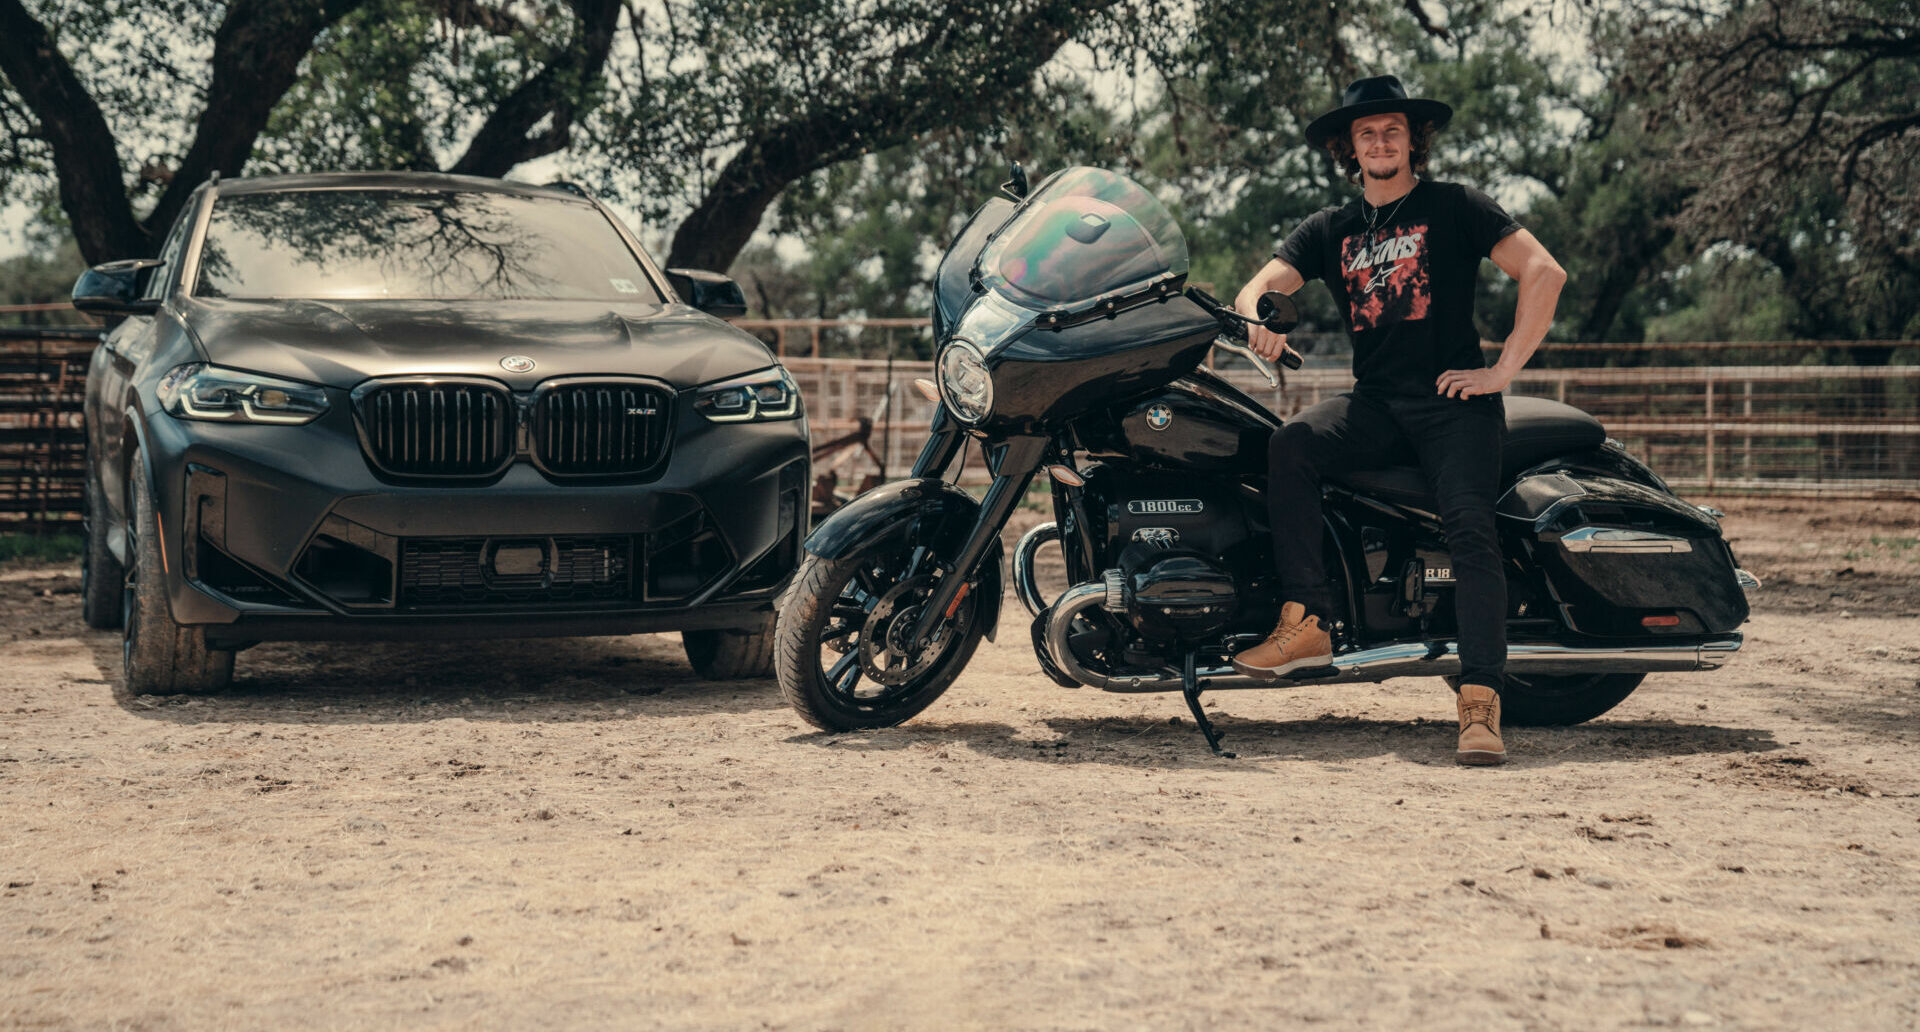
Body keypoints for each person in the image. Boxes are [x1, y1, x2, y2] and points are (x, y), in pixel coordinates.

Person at [1227, 74, 1567, 766]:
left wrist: (1501, 372)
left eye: (1392, 131)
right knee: (1289, 445)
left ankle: (1479, 701)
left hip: (1455, 404)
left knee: (1470, 527)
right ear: (1348, 149)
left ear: (1413, 141)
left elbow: (1544, 271)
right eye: (1365, 133)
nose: (1380, 142)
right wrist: (1257, 318)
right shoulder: (1331, 228)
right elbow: (1256, 287)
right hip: (1376, 402)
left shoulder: (1454, 206)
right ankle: (1308, 620)